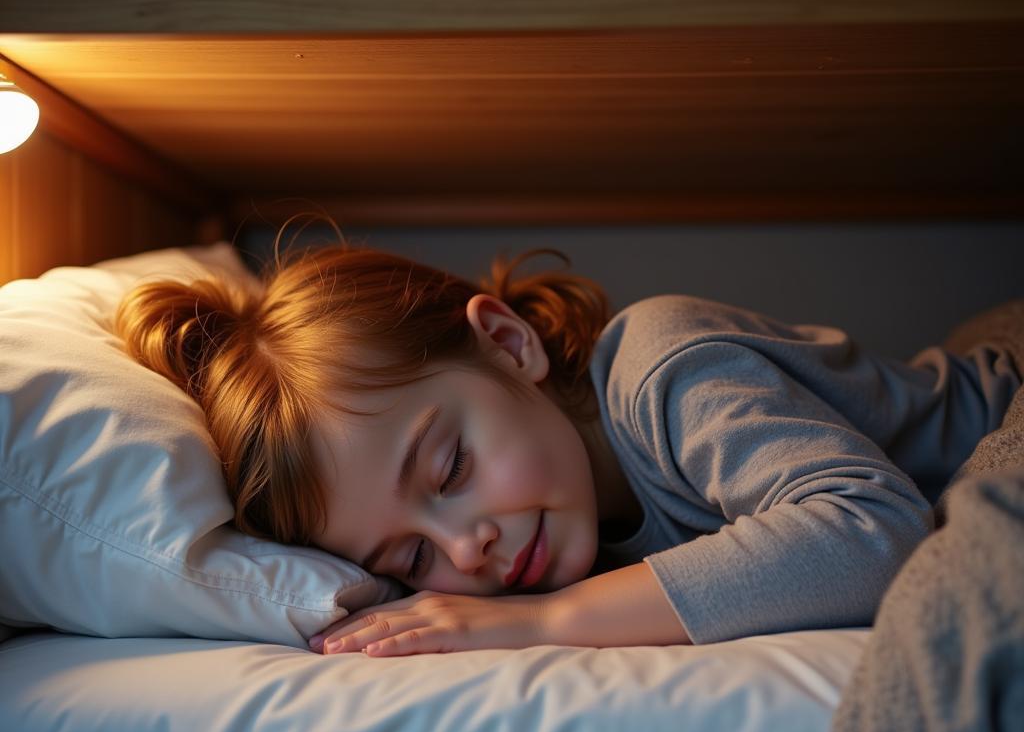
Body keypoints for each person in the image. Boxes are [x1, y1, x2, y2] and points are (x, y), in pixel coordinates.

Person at [114, 222, 1023, 657]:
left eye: (452, 467)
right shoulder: (544, 537)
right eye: (408, 555)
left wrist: (538, 622)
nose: (465, 548)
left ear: (508, 346)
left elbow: (872, 530)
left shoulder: (669, 365)